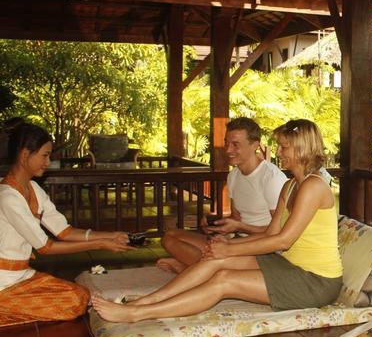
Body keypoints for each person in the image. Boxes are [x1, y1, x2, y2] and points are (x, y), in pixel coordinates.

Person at [92, 119, 342, 322]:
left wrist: (231, 246)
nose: (277, 152)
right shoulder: (290, 186)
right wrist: (225, 248)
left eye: (284, 147)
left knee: (225, 280)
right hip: (289, 266)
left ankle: (137, 313)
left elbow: (283, 240)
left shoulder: (313, 186)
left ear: (301, 148)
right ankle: (149, 300)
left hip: (315, 281)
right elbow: (271, 234)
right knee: (216, 259)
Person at [0, 123, 132, 327]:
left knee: (82, 296)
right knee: (75, 302)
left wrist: (109, 235)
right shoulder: (8, 197)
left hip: (22, 275)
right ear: (25, 155)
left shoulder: (33, 188)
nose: (48, 162)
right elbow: (46, 247)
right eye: (44, 155)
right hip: (3, 282)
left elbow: (64, 231)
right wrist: (100, 244)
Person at [155, 117, 287, 273]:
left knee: (210, 254)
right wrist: (218, 225)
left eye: (235, 145)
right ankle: (197, 270)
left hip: (263, 249)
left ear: (255, 145)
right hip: (237, 240)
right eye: (227, 143)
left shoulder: (271, 177)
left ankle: (192, 270)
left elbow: (280, 231)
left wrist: (240, 227)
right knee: (170, 238)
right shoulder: (234, 176)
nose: (228, 150)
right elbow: (236, 218)